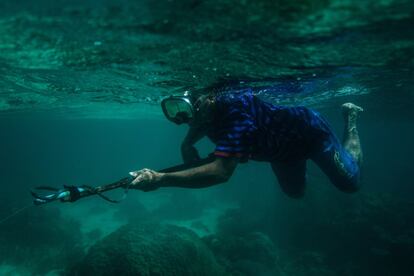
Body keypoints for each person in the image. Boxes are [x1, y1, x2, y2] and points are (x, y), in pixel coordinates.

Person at [129, 87, 363, 198]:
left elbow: (221, 173)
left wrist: (160, 179)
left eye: (188, 111)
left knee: (349, 184)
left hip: (311, 134)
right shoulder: (203, 115)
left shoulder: (234, 109)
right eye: (176, 113)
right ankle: (323, 164)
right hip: (281, 152)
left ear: (207, 99)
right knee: (295, 193)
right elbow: (196, 145)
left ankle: (350, 119)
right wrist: (186, 146)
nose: (184, 120)